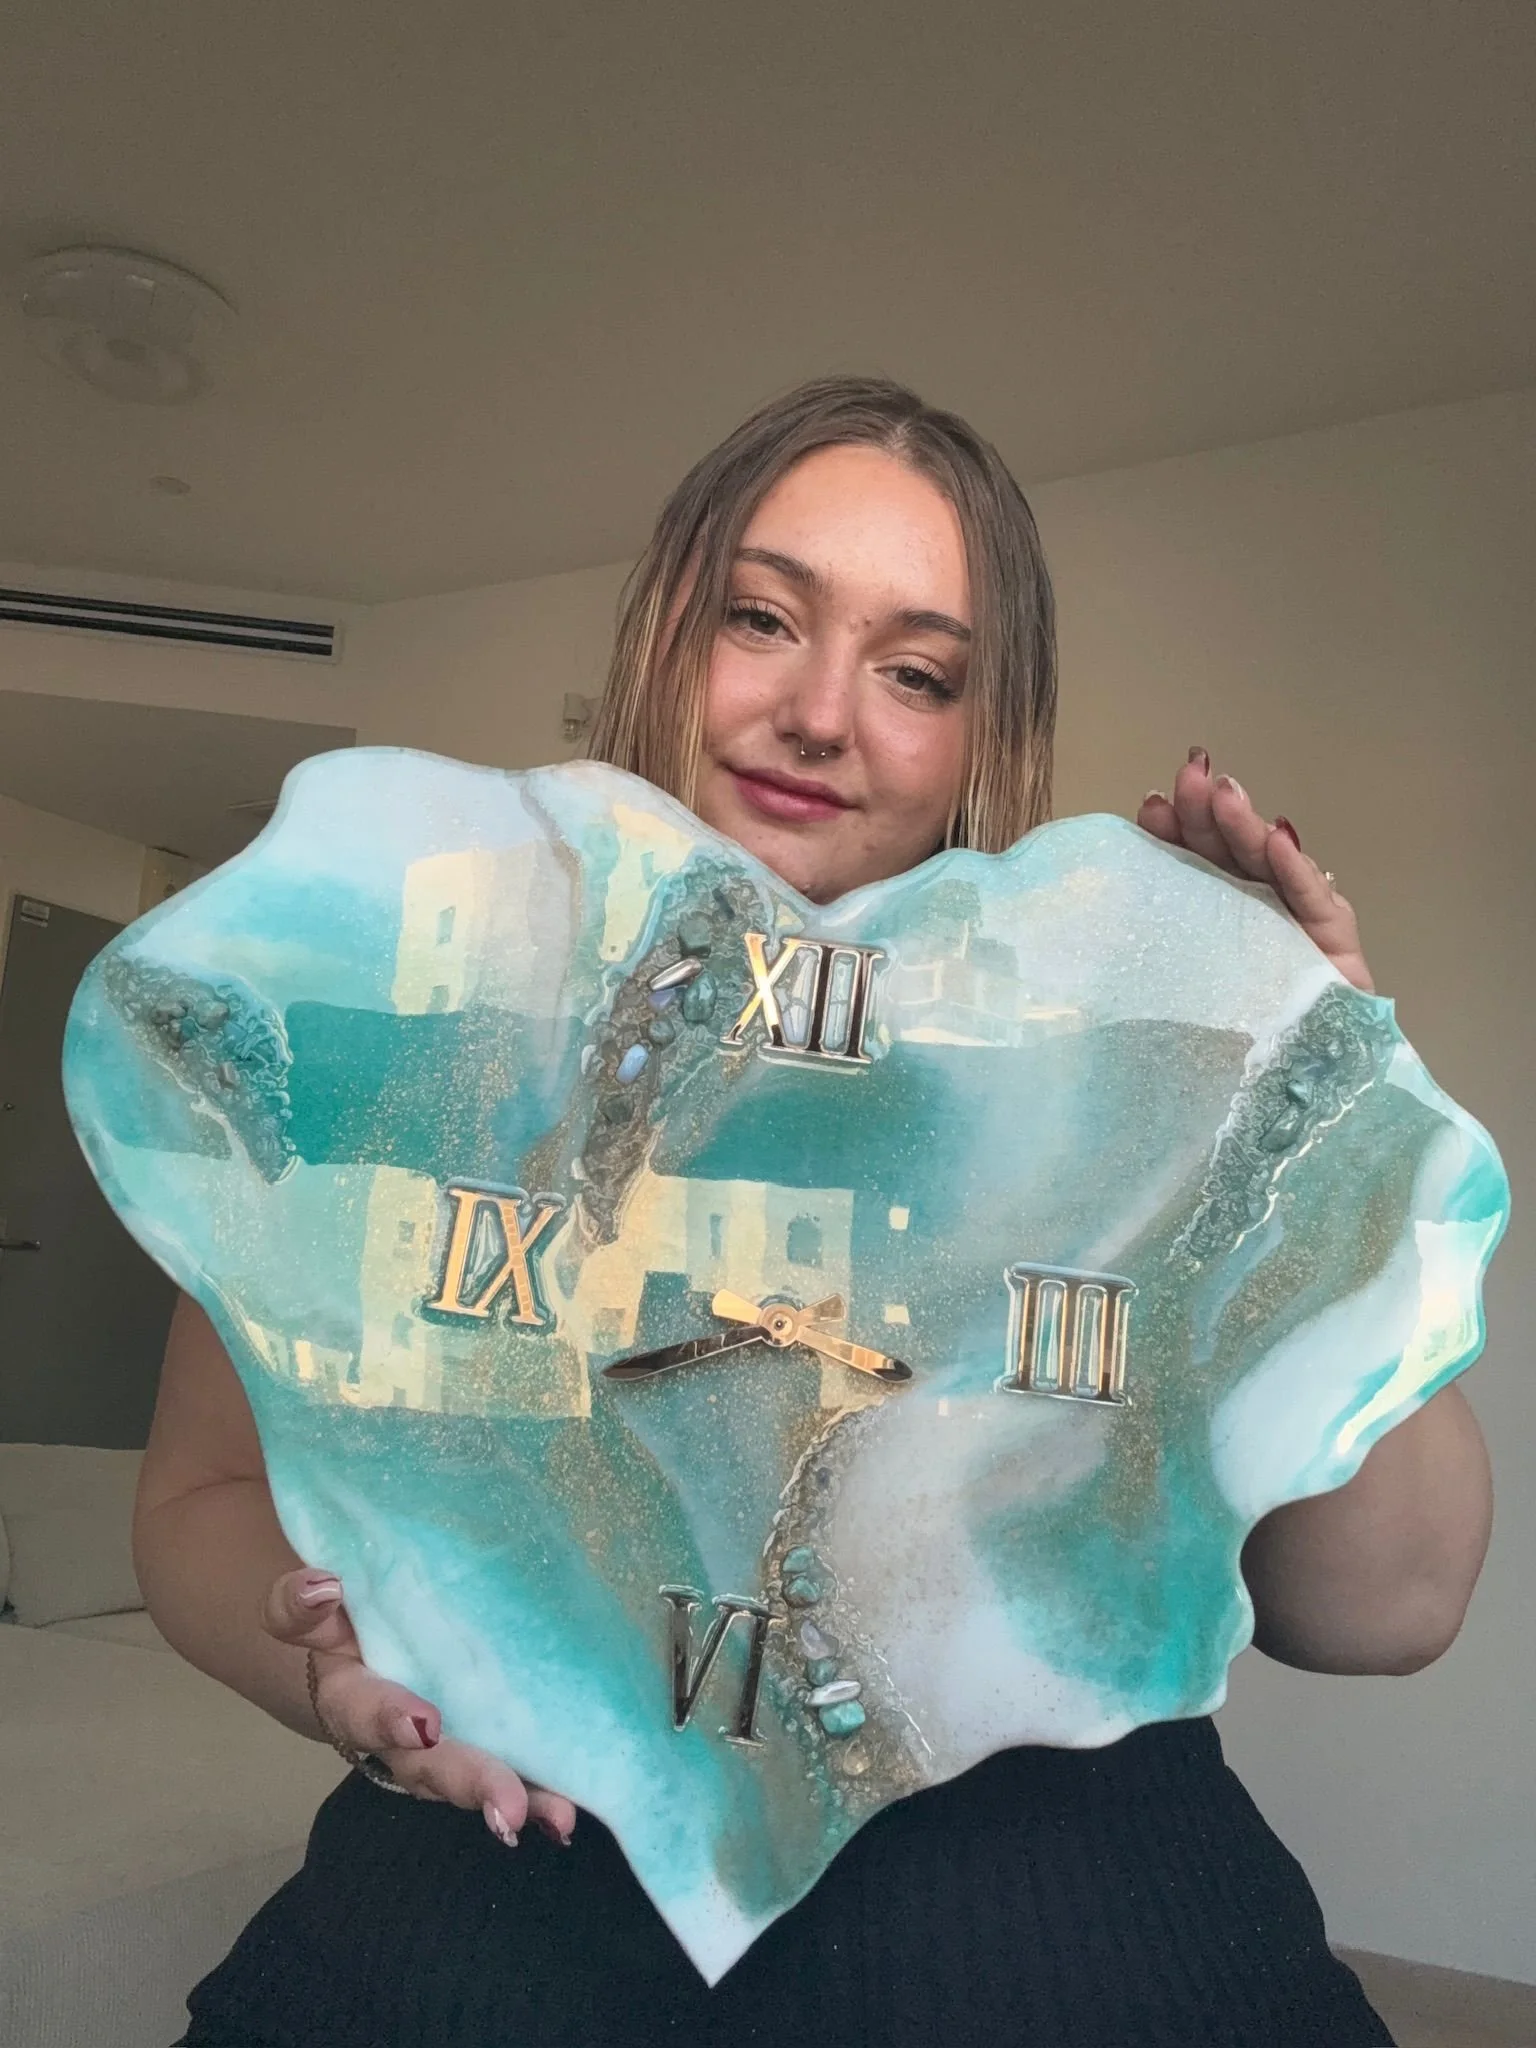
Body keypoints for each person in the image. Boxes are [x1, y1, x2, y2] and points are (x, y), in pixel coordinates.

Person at [141, 377, 1492, 2048]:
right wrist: (340, 1693)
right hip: (488, 1906)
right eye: (761, 619)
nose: (821, 713)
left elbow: (1387, 1609)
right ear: (658, 636)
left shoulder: (1116, 1071)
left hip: (1067, 1929)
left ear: (980, 736)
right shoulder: (426, 1008)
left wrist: (1324, 1114)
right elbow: (199, 1495)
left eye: (917, 672)